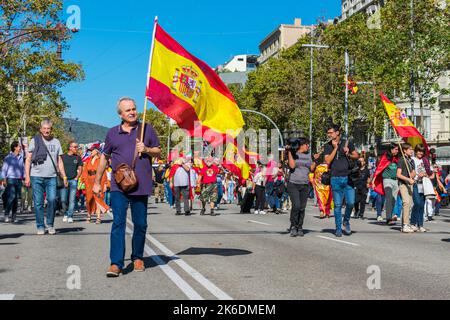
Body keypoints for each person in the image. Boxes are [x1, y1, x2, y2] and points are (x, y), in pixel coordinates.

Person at [93, 97, 161, 277]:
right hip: (119, 185)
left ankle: (138, 257)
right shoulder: (112, 133)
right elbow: (104, 158)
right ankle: (116, 263)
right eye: (127, 110)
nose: (132, 112)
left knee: (140, 224)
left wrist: (146, 149)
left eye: (133, 109)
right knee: (118, 223)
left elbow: (158, 151)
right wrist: (97, 182)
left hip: (141, 184)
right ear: (120, 114)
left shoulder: (146, 128)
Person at [24, 120, 68, 235]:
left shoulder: (56, 142)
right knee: (38, 203)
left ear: (51, 130)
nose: (46, 130)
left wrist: (64, 176)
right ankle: (40, 226)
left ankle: (50, 224)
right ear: (40, 129)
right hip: (36, 176)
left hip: (52, 176)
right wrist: (27, 176)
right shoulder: (34, 141)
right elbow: (28, 160)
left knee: (52, 200)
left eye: (48, 128)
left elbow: (60, 161)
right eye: (44, 128)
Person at [323, 125, 359, 237]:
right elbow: (328, 160)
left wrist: (348, 152)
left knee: (351, 202)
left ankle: (346, 221)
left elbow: (356, 156)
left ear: (337, 133)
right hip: (335, 178)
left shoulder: (347, 143)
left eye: (331, 132)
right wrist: (335, 148)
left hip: (348, 178)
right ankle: (338, 228)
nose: (329, 134)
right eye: (328, 133)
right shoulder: (328, 146)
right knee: (338, 205)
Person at [286, 138, 316, 237]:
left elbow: (312, 169)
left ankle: (300, 226)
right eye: (307, 144)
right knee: (296, 205)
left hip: (305, 184)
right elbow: (292, 165)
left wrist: (315, 160)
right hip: (293, 184)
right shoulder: (294, 154)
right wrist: (290, 152)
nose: (308, 146)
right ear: (301, 145)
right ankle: (294, 226)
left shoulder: (308, 155)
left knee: (302, 208)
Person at [372, 143, 399, 224]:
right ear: (391, 149)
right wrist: (373, 180)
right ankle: (388, 218)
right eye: (395, 149)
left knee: (393, 200)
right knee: (389, 197)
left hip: (396, 181)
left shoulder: (398, 159)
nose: (397, 151)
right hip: (387, 180)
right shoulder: (385, 157)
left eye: (398, 149)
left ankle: (390, 216)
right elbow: (379, 168)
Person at [81, 144, 109, 224]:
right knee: (89, 199)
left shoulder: (101, 160)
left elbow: (103, 173)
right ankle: (89, 215)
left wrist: (104, 184)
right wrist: (84, 181)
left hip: (98, 181)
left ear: (96, 151)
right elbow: (85, 171)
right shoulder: (88, 160)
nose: (90, 152)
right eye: (89, 151)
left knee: (98, 199)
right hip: (89, 181)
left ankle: (98, 217)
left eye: (91, 151)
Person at [1, 141, 25, 223]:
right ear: (14, 147)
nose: (20, 148)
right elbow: (4, 169)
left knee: (16, 199)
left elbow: (23, 169)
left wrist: (24, 178)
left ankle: (14, 217)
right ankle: (6, 214)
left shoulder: (21, 157)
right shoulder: (8, 157)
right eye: (19, 146)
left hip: (19, 179)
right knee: (11, 197)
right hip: (10, 179)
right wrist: (4, 179)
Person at [60, 141, 83, 223]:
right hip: (64, 181)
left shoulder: (78, 158)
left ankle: (70, 215)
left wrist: (77, 177)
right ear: (70, 147)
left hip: (73, 180)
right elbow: (59, 168)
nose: (76, 148)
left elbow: (80, 169)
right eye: (74, 147)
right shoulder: (62, 157)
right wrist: (62, 177)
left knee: (72, 200)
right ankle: (65, 213)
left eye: (77, 147)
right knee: (63, 200)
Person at [410, 144, 431, 232]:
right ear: (416, 151)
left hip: (423, 184)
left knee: (422, 205)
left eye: (422, 151)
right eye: (418, 151)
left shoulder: (425, 160)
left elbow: (430, 174)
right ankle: (413, 223)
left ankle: (420, 225)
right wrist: (418, 175)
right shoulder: (412, 160)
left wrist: (426, 174)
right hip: (415, 183)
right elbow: (410, 173)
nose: (420, 153)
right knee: (417, 203)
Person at [396, 143, 416, 233]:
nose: (411, 151)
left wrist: (413, 175)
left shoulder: (411, 160)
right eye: (410, 149)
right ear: (404, 150)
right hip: (403, 184)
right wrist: (408, 179)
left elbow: (412, 173)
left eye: (412, 149)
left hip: (410, 184)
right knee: (406, 203)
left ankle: (406, 224)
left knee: (410, 204)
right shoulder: (401, 160)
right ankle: (405, 225)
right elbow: (398, 174)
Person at [309, 152, 333, 219]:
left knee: (328, 199)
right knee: (320, 199)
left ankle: (327, 212)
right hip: (318, 185)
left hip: (328, 185)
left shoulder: (330, 165)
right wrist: (313, 182)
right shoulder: (317, 164)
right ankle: (322, 211)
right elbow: (311, 171)